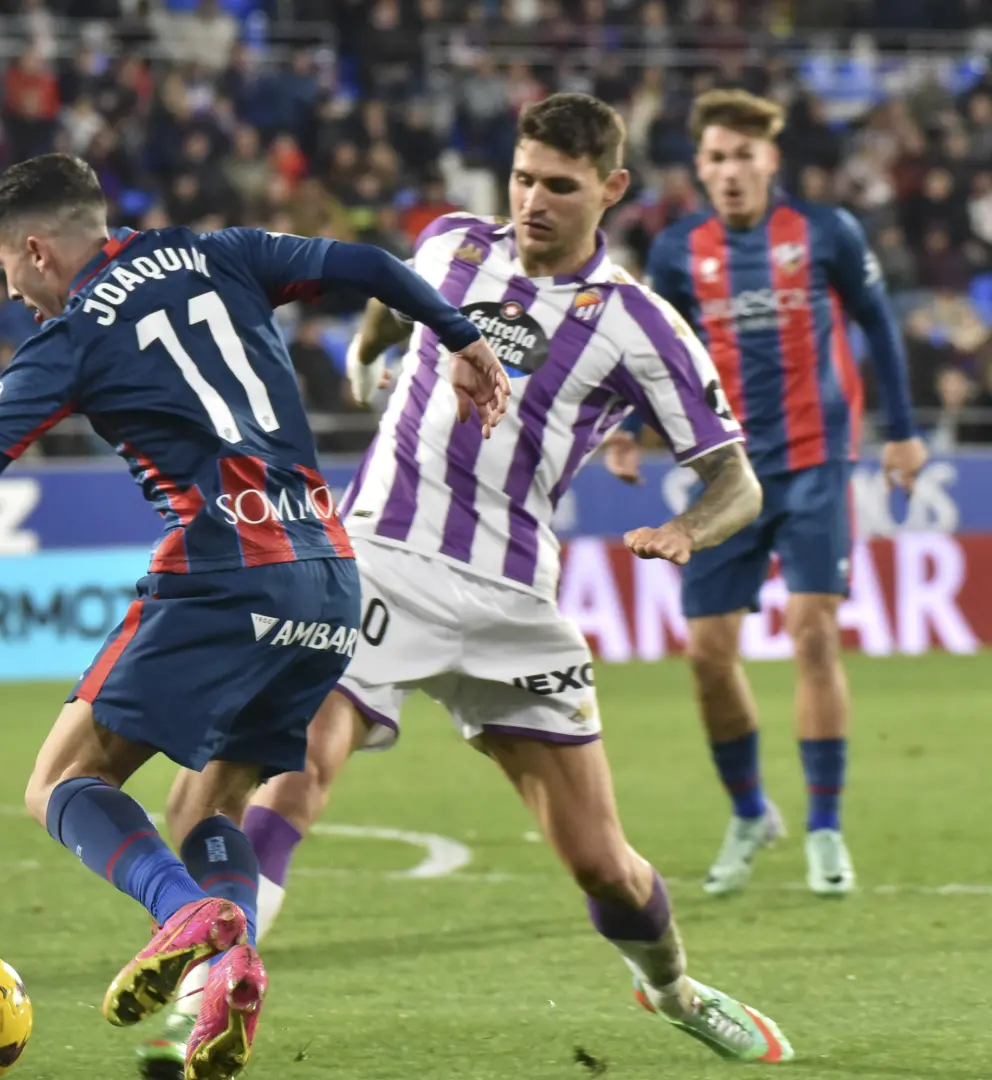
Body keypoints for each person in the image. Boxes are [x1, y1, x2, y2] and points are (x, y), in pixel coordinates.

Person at [0, 153, 506, 1080]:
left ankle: (185, 915)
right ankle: (230, 966)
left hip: (223, 566)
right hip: (332, 576)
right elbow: (374, 267)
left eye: (2, 267)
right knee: (206, 803)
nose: (8, 289)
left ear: (34, 249)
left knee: (60, 783)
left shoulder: (73, 337)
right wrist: (462, 338)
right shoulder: (222, 251)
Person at [144, 94, 796, 1073]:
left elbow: (735, 479)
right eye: (524, 178)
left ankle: (671, 988)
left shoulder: (636, 325)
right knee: (297, 770)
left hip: (513, 606)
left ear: (611, 190)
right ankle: (206, 1001)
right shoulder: (452, 244)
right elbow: (386, 293)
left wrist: (687, 530)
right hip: (379, 564)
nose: (533, 200)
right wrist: (370, 356)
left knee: (602, 865)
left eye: (560, 187)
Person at [605, 89, 924, 898]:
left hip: (817, 463)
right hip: (725, 476)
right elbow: (653, 356)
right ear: (701, 168)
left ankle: (824, 827)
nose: (730, 170)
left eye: (744, 155)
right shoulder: (679, 251)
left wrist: (904, 428)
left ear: (770, 160)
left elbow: (879, 323)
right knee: (709, 657)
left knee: (815, 635)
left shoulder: (825, 232)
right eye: (715, 157)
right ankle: (751, 811)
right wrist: (619, 428)